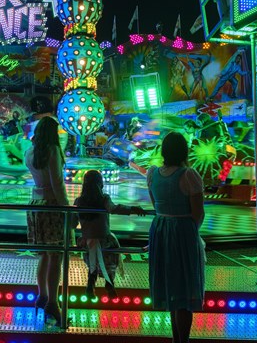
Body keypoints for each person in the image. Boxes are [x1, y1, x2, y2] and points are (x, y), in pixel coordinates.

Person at [147, 132, 205, 343]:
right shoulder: (189, 175)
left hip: (160, 229)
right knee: (184, 288)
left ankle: (175, 339)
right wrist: (190, 234)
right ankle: (183, 340)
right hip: (182, 232)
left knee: (171, 287)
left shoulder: (153, 174)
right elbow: (198, 212)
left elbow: (156, 205)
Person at [25, 116, 69, 327]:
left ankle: (42, 295)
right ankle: (53, 301)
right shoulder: (52, 151)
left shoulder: (30, 151)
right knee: (56, 256)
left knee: (44, 254)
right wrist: (67, 209)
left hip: (35, 204)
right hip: (52, 205)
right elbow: (58, 184)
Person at [75, 170, 145, 300]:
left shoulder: (79, 201)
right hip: (104, 239)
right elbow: (114, 208)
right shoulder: (104, 198)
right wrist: (132, 209)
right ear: (100, 184)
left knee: (92, 263)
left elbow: (73, 221)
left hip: (87, 240)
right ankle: (110, 283)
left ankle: (90, 285)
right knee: (110, 263)